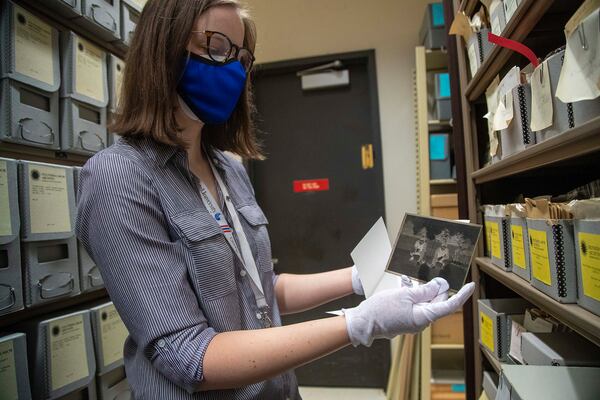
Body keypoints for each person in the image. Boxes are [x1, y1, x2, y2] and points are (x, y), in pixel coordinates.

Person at [75, 1, 475, 398]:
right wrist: (357, 324)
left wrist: (365, 277)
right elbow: (189, 355)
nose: (232, 68)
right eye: (216, 46)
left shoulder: (227, 168)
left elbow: (263, 288)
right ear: (162, 46)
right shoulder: (119, 177)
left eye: (241, 57)